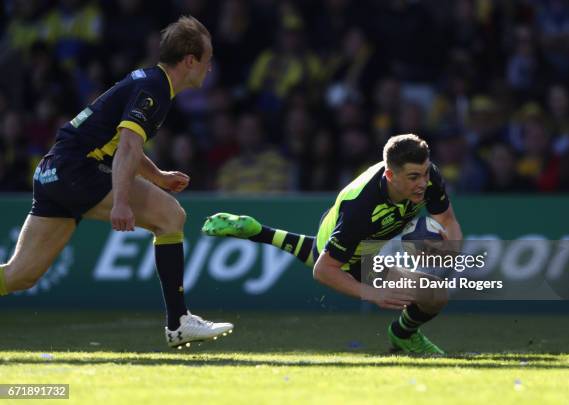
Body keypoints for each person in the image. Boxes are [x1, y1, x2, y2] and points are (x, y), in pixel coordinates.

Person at [0, 16, 233, 348]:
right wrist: (121, 202)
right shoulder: (155, 89)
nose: (209, 68)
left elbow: (126, 145)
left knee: (21, 274)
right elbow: (126, 146)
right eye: (207, 59)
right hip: (76, 170)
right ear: (190, 60)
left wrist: (158, 176)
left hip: (53, 170)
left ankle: (179, 322)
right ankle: (179, 322)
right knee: (170, 217)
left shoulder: (151, 82)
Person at [203, 134, 463, 354]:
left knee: (431, 288)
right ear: (390, 175)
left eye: (426, 173)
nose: (423, 183)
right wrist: (372, 294)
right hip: (350, 253)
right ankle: (402, 335)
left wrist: (449, 254)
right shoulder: (361, 208)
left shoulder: (427, 178)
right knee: (435, 294)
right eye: (414, 177)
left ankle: (259, 231)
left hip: (350, 238)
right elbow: (323, 270)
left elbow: (448, 220)